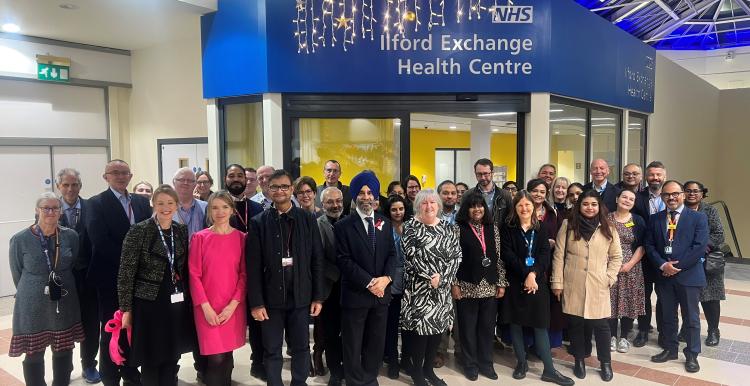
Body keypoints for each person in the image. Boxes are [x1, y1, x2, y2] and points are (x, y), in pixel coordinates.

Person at [247, 169, 325, 386]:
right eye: (274, 187)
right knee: (272, 350)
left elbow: (317, 260)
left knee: (301, 347)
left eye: (284, 187)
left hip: (301, 296)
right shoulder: (258, 222)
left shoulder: (308, 219)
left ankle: (299, 382)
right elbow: (252, 268)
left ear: (292, 190)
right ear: (268, 190)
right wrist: (256, 303)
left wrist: (318, 297)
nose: (279, 191)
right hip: (270, 300)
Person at [117, 185, 195, 385]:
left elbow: (182, 266)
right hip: (149, 302)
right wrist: (126, 309)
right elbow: (126, 273)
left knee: (173, 352)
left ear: (177, 205)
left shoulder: (180, 230)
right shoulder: (139, 231)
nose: (165, 207)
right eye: (160, 203)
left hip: (175, 299)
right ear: (153, 204)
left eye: (170, 203)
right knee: (152, 355)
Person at [86, 159, 151, 386]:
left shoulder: (142, 203)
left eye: (125, 173)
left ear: (131, 176)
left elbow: (149, 235)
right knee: (112, 327)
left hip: (138, 279)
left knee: (132, 327)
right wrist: (130, 264)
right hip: (109, 277)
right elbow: (100, 241)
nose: (121, 176)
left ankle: (131, 373)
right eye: (115, 173)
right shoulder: (95, 203)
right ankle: (110, 376)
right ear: (106, 177)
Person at [9, 192, 84, 386]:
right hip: (32, 304)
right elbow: (17, 272)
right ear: (37, 210)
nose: (50, 212)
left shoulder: (70, 236)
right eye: (46, 208)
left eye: (55, 208)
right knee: (34, 353)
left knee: (64, 349)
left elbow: (73, 260)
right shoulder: (20, 239)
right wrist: (32, 289)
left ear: (60, 211)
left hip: (64, 299)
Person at [500, 191, 573, 386]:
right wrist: (526, 274)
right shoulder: (507, 227)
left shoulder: (540, 227)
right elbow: (507, 255)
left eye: (528, 205)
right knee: (516, 324)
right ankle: (521, 363)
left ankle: (549, 370)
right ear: (515, 208)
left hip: (537, 283)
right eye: (520, 206)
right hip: (515, 283)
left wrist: (533, 275)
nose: (524, 209)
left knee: (540, 325)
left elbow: (544, 255)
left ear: (534, 207)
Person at [551, 189, 622, 382]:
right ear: (578, 206)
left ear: (599, 207)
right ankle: (579, 360)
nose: (589, 208)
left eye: (593, 204)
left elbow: (616, 257)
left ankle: (605, 362)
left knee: (601, 326)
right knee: (576, 324)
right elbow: (559, 255)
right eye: (585, 204)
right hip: (573, 282)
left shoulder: (608, 227)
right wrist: (557, 282)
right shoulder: (568, 224)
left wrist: (609, 277)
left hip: (599, 283)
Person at [334, 171, 396, 386]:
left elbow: (392, 254)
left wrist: (386, 279)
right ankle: (354, 380)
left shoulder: (385, 223)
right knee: (352, 343)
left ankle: (370, 378)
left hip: (381, 296)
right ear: (355, 196)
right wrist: (371, 283)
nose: (366, 197)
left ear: (376, 196)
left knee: (376, 342)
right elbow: (344, 260)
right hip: (356, 295)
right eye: (361, 193)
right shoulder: (343, 225)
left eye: (370, 192)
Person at [646, 180, 708, 373]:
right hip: (664, 276)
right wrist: (663, 264)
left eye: (675, 194)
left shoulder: (698, 218)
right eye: (666, 195)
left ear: (682, 195)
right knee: (667, 316)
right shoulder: (655, 219)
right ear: (662, 197)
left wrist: (675, 267)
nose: (671, 198)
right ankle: (670, 349)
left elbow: (699, 247)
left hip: (689, 277)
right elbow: (649, 245)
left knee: (691, 318)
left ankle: (692, 354)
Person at [400, 189, 461, 386]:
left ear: (439, 205)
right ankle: (417, 372)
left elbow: (456, 256)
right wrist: (430, 276)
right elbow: (410, 256)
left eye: (433, 203)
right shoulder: (410, 227)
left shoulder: (447, 228)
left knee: (436, 332)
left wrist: (442, 278)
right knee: (420, 334)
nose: (429, 207)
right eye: (424, 203)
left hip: (441, 292)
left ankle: (429, 370)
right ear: (418, 206)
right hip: (419, 291)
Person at [189, 191, 248, 386]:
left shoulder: (241, 238)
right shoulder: (200, 238)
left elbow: (243, 275)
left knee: (227, 355)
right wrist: (205, 307)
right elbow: (194, 275)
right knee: (215, 358)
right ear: (209, 211)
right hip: (206, 307)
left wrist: (232, 306)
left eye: (224, 207)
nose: (220, 211)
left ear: (232, 210)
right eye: (215, 207)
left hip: (233, 306)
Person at [453, 192, 509, 381]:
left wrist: (501, 283)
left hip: (489, 286)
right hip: (467, 286)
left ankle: (486, 364)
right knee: (467, 330)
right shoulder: (457, 228)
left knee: (487, 329)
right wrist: (454, 284)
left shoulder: (492, 228)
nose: (477, 209)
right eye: (472, 206)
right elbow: (452, 260)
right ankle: (469, 364)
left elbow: (498, 257)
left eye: (480, 205)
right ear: (466, 209)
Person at [56, 168, 100, 383]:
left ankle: (89, 364)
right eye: (66, 185)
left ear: (80, 186)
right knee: (64, 322)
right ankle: (64, 367)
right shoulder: (50, 209)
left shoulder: (92, 206)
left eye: (74, 184)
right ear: (59, 187)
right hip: (63, 277)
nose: (70, 189)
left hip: (89, 275)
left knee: (91, 323)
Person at [682, 181, 725, 346]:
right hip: (686, 261)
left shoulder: (710, 210)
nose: (692, 194)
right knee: (686, 298)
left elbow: (719, 234)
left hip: (707, 262)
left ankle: (713, 330)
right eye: (688, 191)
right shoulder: (678, 210)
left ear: (702, 193)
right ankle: (687, 328)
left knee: (710, 298)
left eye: (695, 191)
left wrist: (700, 248)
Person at [632, 161, 667, 348]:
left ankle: (663, 332)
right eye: (652, 174)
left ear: (664, 176)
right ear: (646, 177)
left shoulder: (672, 197)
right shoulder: (637, 198)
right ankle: (643, 330)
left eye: (658, 175)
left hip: (665, 257)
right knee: (643, 295)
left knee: (664, 296)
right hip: (644, 256)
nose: (655, 178)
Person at [607, 189, 646, 353]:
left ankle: (624, 337)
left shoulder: (637, 220)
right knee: (610, 301)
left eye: (631, 199)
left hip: (631, 267)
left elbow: (643, 245)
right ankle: (610, 336)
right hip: (608, 266)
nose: (627, 200)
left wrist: (629, 264)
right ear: (617, 199)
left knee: (628, 300)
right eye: (624, 197)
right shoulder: (606, 218)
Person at [527, 178, 565, 348]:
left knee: (549, 306)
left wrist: (552, 242)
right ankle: (528, 344)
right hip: (526, 265)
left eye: (542, 192)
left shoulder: (551, 212)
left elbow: (559, 237)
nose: (538, 194)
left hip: (548, 264)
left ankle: (546, 344)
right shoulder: (522, 209)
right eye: (535, 191)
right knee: (530, 304)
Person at [317, 187, 345, 385]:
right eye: (330, 202)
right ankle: (335, 371)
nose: (335, 205)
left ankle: (350, 366)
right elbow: (317, 258)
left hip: (353, 287)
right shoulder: (316, 225)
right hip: (329, 288)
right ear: (322, 204)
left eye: (338, 201)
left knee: (352, 331)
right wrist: (340, 273)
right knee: (331, 332)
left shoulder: (352, 221)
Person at [382, 194, 410, 379]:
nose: (398, 212)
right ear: (388, 211)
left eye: (401, 208)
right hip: (390, 280)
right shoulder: (383, 227)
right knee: (391, 324)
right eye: (394, 209)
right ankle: (392, 360)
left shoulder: (412, 227)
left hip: (410, 281)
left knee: (408, 325)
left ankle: (407, 360)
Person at [435, 179, 460, 367]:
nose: (450, 196)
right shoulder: (432, 214)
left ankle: (460, 350)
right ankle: (439, 351)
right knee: (441, 313)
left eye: (453, 193)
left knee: (460, 315)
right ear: (439, 195)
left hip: (461, 271)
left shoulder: (464, 215)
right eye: (445, 193)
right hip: (438, 273)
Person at [465, 158, 513, 226]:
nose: (483, 177)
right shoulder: (468, 195)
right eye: (479, 174)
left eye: (486, 174)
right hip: (476, 235)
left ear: (492, 173)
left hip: (500, 235)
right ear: (475, 174)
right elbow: (464, 219)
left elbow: (510, 219)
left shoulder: (505, 195)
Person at [224, 164, 264, 233]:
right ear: (225, 179)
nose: (236, 179)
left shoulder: (258, 208)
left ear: (245, 179)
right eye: (231, 176)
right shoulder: (215, 207)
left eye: (240, 176)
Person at [172, 167, 208, 238]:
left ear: (195, 184)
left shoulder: (206, 207)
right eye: (181, 180)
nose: (185, 183)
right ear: (174, 182)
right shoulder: (164, 209)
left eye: (190, 180)